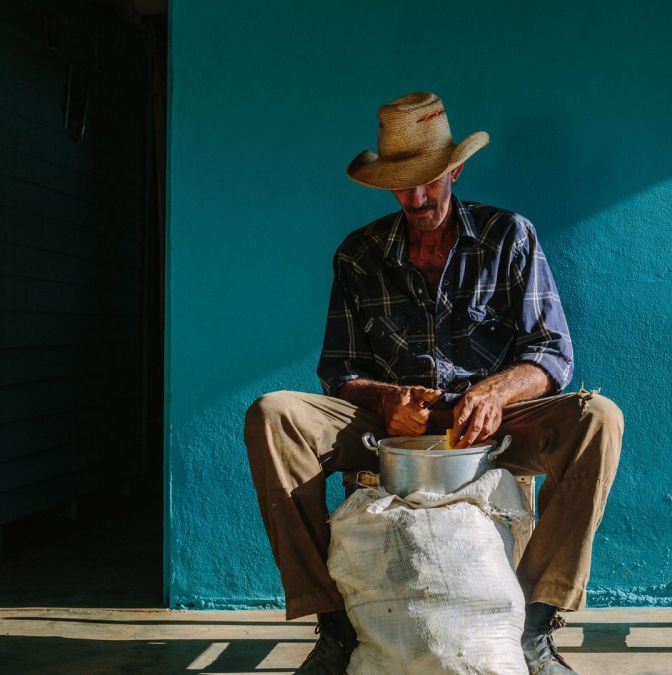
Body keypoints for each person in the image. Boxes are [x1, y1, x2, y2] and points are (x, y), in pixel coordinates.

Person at [243, 92, 623, 675]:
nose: (416, 198)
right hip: (391, 426)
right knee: (272, 414)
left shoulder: (510, 236)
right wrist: (385, 398)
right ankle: (334, 626)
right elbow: (339, 370)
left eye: (429, 181)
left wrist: (495, 391)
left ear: (456, 169)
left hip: (494, 423)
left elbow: (552, 353)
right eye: (401, 184)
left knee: (601, 419)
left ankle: (534, 627)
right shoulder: (358, 254)